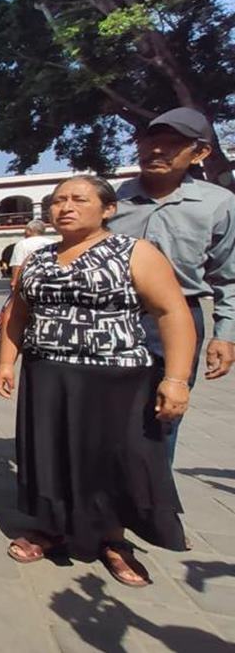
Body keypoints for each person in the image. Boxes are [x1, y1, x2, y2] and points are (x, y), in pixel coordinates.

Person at [0, 175, 194, 587]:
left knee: (115, 459)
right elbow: (18, 314)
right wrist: (6, 363)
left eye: (79, 199)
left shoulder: (134, 252)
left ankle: (112, 539)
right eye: (58, 201)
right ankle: (50, 528)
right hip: (48, 374)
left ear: (108, 208)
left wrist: (176, 378)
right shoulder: (40, 258)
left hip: (116, 377)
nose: (65, 207)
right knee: (50, 454)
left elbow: (172, 312)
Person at [109, 108, 235, 464]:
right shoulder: (113, 201)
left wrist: (225, 335)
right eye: (151, 141)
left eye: (172, 144)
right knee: (106, 412)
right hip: (111, 317)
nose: (157, 150)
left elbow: (229, 276)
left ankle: (154, 489)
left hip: (176, 320)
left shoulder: (218, 204)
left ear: (200, 152)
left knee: (164, 411)